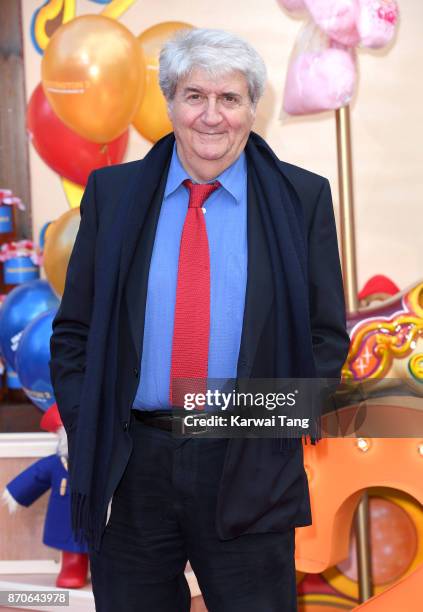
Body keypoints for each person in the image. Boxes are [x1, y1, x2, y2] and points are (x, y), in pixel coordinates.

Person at [49, 28, 350, 612]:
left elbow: (324, 339)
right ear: (169, 103)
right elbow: (74, 334)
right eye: (195, 96)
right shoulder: (113, 195)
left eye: (230, 99)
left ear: (252, 108)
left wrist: (261, 429)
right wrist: (98, 427)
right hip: (132, 463)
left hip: (247, 461)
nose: (212, 116)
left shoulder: (301, 197)